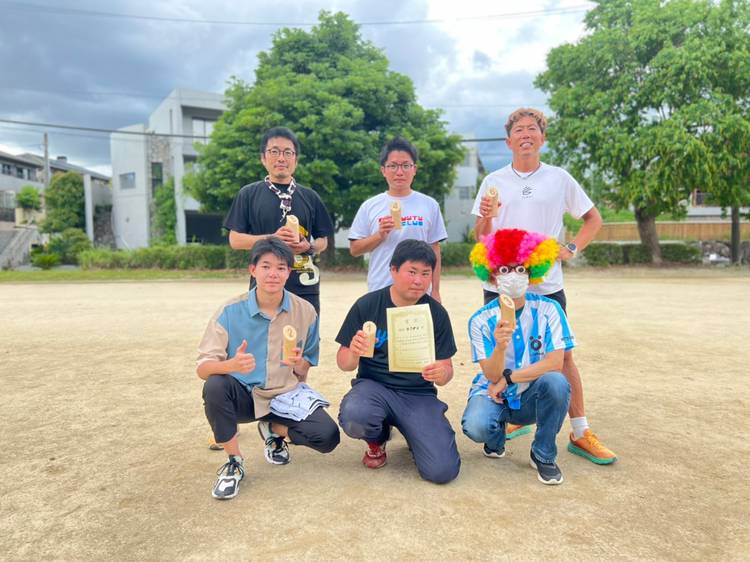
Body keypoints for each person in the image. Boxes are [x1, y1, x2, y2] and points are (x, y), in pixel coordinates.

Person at [472, 108, 616, 465]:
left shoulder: (559, 178)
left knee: (562, 357)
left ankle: (580, 431)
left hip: (546, 282)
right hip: (502, 283)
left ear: (542, 137)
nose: (526, 134)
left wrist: (572, 248)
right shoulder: (493, 180)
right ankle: (511, 416)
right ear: (508, 141)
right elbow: (481, 237)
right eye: (518, 130)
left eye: (532, 129)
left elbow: (593, 219)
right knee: (503, 349)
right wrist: (487, 216)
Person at [197, 237, 340, 500]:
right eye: (266, 266)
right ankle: (234, 461)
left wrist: (299, 363)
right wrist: (231, 365)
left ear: (289, 272)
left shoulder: (305, 311)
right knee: (215, 385)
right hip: (244, 396)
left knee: (327, 436)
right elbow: (203, 368)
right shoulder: (229, 311)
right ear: (253, 270)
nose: (273, 273)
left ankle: (273, 428)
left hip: (284, 397)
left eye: (281, 267)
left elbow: (306, 366)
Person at [335, 239, 460, 484]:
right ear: (393, 270)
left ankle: (416, 434)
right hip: (374, 388)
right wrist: (355, 352)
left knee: (442, 471)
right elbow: (344, 363)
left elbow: (447, 370)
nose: (419, 280)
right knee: (355, 416)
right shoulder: (367, 305)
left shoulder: (436, 313)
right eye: (412, 272)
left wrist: (441, 373)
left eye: (425, 273)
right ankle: (377, 439)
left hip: (418, 394)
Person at [462, 228, 572, 484]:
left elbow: (555, 363)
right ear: (492, 275)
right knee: (476, 426)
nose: (513, 275)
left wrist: (509, 378)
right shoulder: (480, 320)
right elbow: (491, 375)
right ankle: (495, 437)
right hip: (494, 393)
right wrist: (500, 347)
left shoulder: (550, 309)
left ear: (532, 272)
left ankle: (543, 454)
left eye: (521, 269)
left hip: (532, 395)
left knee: (557, 383)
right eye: (504, 269)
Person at [223, 126, 334, 315]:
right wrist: (272, 239)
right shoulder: (248, 194)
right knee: (264, 332)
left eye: (288, 152)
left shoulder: (310, 197)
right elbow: (235, 240)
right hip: (265, 285)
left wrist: (308, 247)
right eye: (274, 151)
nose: (281, 158)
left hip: (304, 284)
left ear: (296, 160)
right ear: (263, 158)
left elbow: (323, 241)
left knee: (305, 332)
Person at [348, 137, 448, 301]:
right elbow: (354, 249)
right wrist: (379, 235)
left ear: (414, 169)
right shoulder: (370, 206)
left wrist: (435, 290)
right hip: (380, 289)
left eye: (406, 165)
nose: (399, 172)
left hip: (419, 291)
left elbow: (434, 250)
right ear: (383, 170)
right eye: (393, 166)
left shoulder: (429, 205)